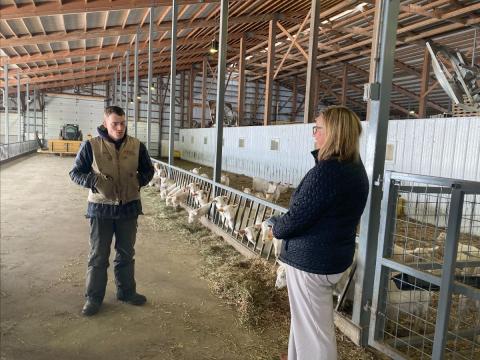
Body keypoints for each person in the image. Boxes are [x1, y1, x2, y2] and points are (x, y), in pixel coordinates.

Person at [269, 106, 369, 360]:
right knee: (306, 323)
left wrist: (276, 227)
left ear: (334, 133)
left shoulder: (328, 172)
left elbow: (299, 216)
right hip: (330, 255)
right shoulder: (354, 168)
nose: (314, 134)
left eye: (318, 128)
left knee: (315, 331)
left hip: (313, 261)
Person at [69, 105, 154, 316]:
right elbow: (75, 172)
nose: (119, 127)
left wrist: (137, 182)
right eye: (115, 123)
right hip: (101, 209)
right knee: (98, 256)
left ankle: (126, 292)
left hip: (129, 207)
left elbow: (148, 170)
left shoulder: (136, 145)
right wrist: (95, 181)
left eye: (123, 123)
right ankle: (93, 298)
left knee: (126, 254)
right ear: (105, 123)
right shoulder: (91, 145)